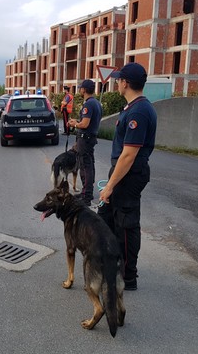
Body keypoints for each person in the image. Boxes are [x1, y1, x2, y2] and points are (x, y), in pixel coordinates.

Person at [98, 62, 157, 291]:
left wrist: (110, 186)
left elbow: (129, 154)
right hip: (123, 172)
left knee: (126, 224)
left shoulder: (139, 111)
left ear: (125, 83)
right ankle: (112, 263)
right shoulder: (133, 107)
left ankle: (127, 276)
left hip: (129, 174)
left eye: (118, 80)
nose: (116, 83)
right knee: (107, 218)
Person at [67, 79, 102, 207]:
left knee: (85, 166)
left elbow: (85, 124)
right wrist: (77, 121)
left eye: (81, 88)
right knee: (89, 165)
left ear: (84, 89)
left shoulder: (88, 104)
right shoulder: (96, 103)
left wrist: (75, 123)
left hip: (85, 139)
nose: (80, 90)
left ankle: (86, 196)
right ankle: (86, 192)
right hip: (90, 138)